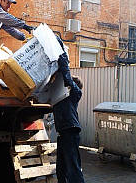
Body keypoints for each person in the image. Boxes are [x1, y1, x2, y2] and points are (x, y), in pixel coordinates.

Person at [52, 52, 85, 183]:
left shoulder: (75, 94)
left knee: (73, 168)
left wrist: (62, 57)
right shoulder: (60, 98)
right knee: (61, 168)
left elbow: (67, 77)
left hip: (70, 132)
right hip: (63, 134)